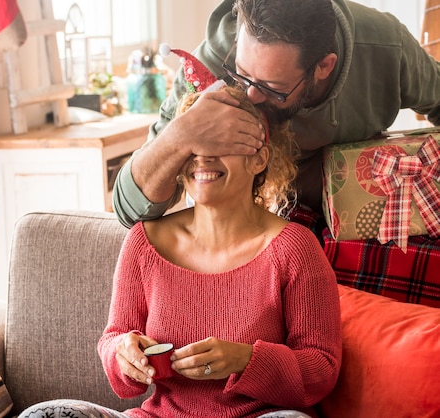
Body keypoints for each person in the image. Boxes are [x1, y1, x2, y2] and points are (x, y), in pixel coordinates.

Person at [19, 85, 342, 418]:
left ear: (259, 158)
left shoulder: (294, 248)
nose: (202, 157)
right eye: (192, 143)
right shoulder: (144, 241)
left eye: (221, 142)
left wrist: (245, 359)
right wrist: (123, 352)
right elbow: (114, 341)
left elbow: (321, 370)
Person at [112, 0, 440, 228]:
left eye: (272, 87)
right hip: (257, 230)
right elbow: (128, 210)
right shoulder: (210, 60)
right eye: (241, 74)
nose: (252, 96)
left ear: (324, 66)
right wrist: (180, 136)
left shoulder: (387, 47)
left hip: (359, 221)